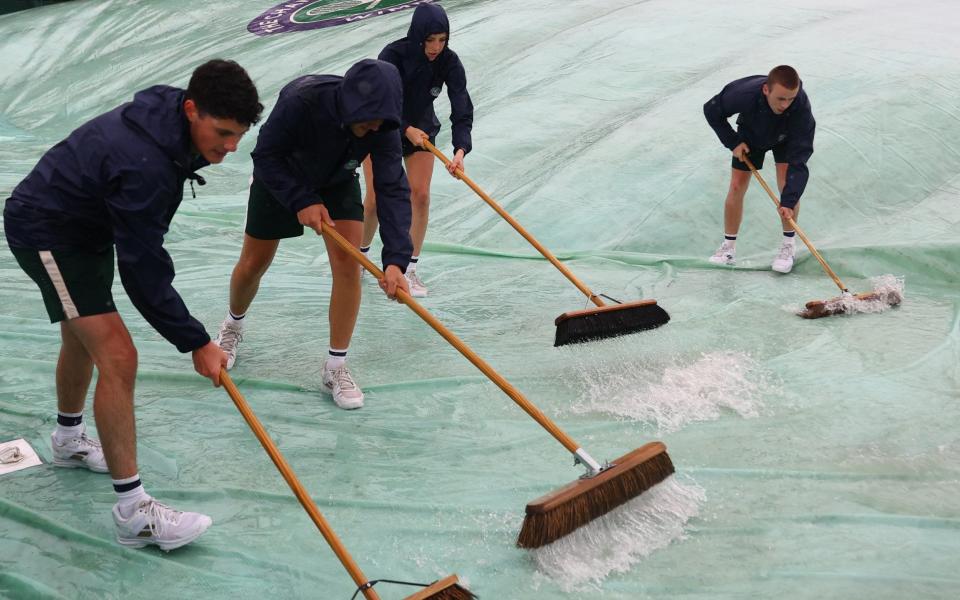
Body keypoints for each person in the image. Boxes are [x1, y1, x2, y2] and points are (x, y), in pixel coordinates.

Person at [3, 59, 262, 550]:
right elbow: (142, 269)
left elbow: (141, 252)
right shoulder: (144, 160)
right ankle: (133, 514)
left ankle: (68, 441)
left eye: (238, 136)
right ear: (191, 109)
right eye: (223, 132)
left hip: (87, 224)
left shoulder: (172, 131)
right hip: (48, 230)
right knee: (119, 356)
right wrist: (196, 340)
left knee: (79, 335)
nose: (229, 148)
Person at [213, 59, 413, 410]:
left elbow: (393, 189)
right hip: (282, 177)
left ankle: (335, 366)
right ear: (351, 105)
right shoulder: (303, 100)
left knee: (349, 265)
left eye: (379, 124)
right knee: (254, 262)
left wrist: (396, 260)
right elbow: (265, 155)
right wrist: (302, 200)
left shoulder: (384, 127)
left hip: (337, 180)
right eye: (366, 122)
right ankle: (233, 325)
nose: (373, 129)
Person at [359, 2, 474, 297]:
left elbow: (461, 106)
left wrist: (460, 150)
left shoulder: (449, 62)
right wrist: (405, 128)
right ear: (418, 36)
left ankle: (409, 268)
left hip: (422, 132)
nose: (436, 47)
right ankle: (359, 257)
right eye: (430, 40)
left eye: (442, 40)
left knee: (420, 196)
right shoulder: (392, 55)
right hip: (384, 128)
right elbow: (380, 103)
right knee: (374, 199)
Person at [703, 65, 816, 273]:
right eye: (781, 99)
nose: (786, 104)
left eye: (791, 98)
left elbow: (800, 159)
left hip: (786, 137)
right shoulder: (743, 94)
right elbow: (711, 110)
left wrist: (789, 201)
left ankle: (788, 246)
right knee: (737, 185)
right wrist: (733, 142)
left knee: (786, 185)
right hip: (751, 134)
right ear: (766, 90)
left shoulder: (800, 109)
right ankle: (728, 247)